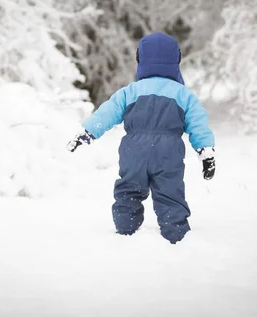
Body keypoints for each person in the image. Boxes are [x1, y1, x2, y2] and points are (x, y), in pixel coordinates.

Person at [67, 32, 215, 244]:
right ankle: (176, 234)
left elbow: (107, 113)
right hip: (169, 152)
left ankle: (125, 230)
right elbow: (198, 124)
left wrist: (87, 132)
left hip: (133, 150)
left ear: (140, 58)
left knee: (129, 189)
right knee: (170, 192)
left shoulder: (131, 92)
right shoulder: (183, 95)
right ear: (177, 59)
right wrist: (206, 151)